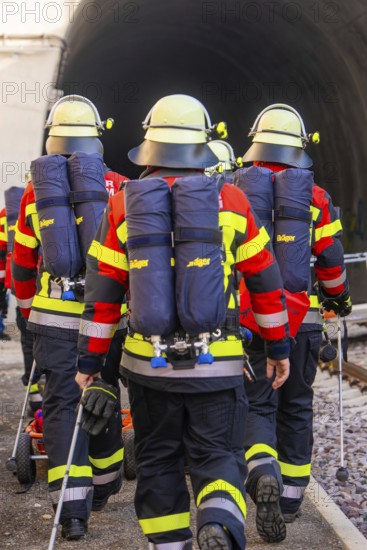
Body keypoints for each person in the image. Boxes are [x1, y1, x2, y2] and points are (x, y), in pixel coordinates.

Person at [75, 93, 291, 550]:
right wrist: (278, 349)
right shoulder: (231, 201)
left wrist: (92, 367)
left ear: (150, 144)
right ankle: (216, 519)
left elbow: (103, 297)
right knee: (220, 456)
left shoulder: (122, 207)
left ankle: (170, 543)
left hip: (147, 367)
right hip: (218, 364)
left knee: (157, 461)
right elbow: (266, 284)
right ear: (203, 144)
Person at [12, 95, 129, 541]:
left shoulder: (32, 193)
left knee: (61, 405)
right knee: (104, 392)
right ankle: (103, 486)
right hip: (107, 318)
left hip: (54, 318)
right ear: (97, 137)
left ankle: (73, 509)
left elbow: (22, 259)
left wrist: (27, 308)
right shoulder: (118, 186)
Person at [236, 104, 352, 540]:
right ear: (300, 147)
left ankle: (262, 467)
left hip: (251, 323)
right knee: (298, 406)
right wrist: (338, 300)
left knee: (259, 404)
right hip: (301, 322)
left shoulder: (235, 192)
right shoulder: (315, 197)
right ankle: (290, 497)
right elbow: (332, 261)